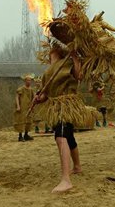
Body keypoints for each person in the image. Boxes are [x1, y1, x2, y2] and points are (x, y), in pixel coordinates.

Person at [34, 45, 83, 193]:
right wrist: (39, 98)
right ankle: (77, 167)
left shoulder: (66, 62)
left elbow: (78, 76)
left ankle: (66, 180)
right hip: (55, 106)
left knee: (61, 138)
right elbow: (46, 93)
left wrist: (74, 57)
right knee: (69, 137)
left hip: (66, 105)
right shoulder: (48, 71)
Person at [14, 74, 35, 142]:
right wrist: (18, 106)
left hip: (28, 107)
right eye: (27, 80)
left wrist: (32, 106)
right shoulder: (21, 89)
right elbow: (17, 97)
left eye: (30, 80)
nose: (29, 81)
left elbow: (33, 98)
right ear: (25, 81)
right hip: (22, 107)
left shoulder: (31, 90)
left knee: (28, 121)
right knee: (21, 121)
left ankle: (26, 135)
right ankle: (20, 136)